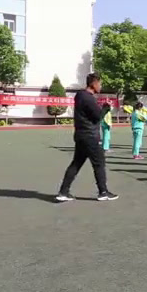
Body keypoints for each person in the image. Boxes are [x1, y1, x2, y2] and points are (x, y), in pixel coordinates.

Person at [56, 73, 118, 202]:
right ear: (94, 84)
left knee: (76, 164)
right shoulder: (88, 98)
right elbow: (97, 117)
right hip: (90, 136)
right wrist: (106, 108)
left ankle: (63, 191)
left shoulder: (79, 95)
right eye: (99, 83)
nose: (100, 86)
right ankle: (103, 192)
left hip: (81, 135)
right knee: (99, 163)